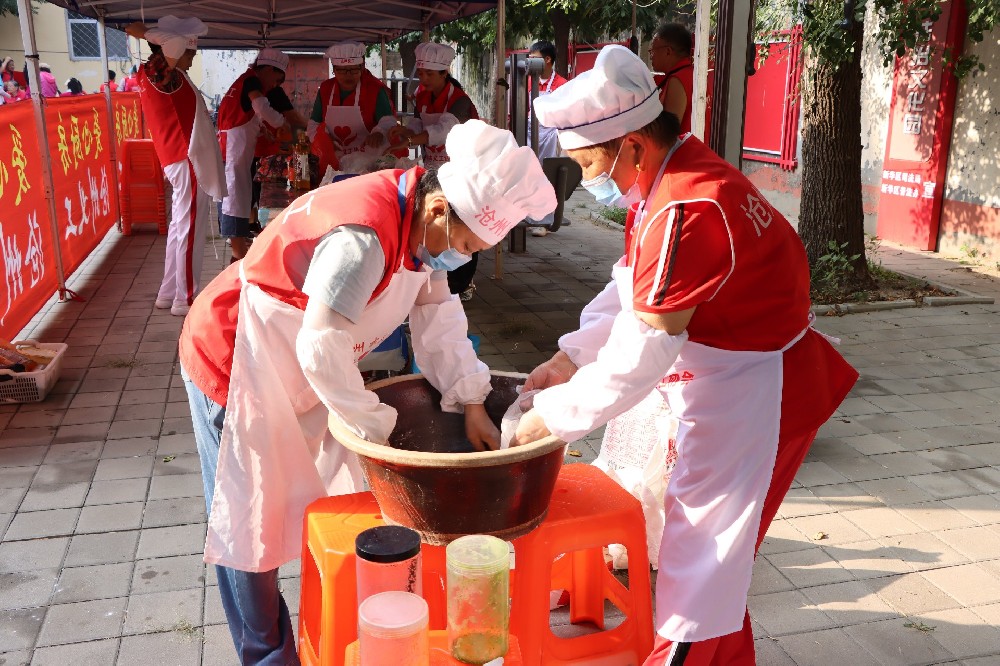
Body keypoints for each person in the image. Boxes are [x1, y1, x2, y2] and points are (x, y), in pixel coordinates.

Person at [525, 46, 858, 665]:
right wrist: (570, 357)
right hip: (730, 372)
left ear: (630, 144)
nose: (587, 177)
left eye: (588, 162)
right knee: (710, 557)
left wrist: (553, 418)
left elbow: (643, 351)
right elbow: (632, 283)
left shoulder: (688, 207)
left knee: (703, 562)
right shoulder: (668, 174)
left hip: (756, 389)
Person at [178, 119, 555, 664]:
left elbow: (440, 320)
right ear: (439, 209)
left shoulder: (423, 231)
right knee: (249, 520)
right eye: (465, 245)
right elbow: (320, 347)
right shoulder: (366, 237)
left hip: (298, 366)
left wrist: (473, 401)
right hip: (236, 357)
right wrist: (376, 428)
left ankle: (336, 631)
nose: (460, 257)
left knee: (307, 504)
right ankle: (267, 657)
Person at [125, 16, 227, 317]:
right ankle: (186, 298)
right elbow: (175, 42)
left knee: (180, 227)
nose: (192, 59)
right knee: (189, 228)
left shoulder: (156, 75)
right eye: (190, 54)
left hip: (178, 157)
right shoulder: (162, 75)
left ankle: (169, 292)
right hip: (187, 158)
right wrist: (147, 33)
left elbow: (176, 45)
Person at [391, 42, 480, 301]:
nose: (424, 79)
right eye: (421, 73)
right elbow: (419, 123)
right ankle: (440, 282)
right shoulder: (422, 95)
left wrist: (409, 140)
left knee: (462, 227)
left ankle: (462, 284)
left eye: (430, 74)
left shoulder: (459, 100)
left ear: (444, 73)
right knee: (440, 226)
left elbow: (443, 131)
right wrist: (405, 131)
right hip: (436, 169)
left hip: (463, 170)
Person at [216, 49, 291, 263]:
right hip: (233, 153)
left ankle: (239, 255)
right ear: (268, 69)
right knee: (234, 201)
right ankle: (238, 257)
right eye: (276, 80)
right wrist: (281, 123)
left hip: (232, 151)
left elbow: (247, 114)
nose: (275, 86)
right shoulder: (251, 81)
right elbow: (260, 106)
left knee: (236, 199)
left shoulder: (244, 81)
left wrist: (263, 130)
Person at [306, 41, 399, 169]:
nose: (348, 75)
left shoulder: (375, 89)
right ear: (334, 69)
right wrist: (324, 141)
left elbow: (388, 121)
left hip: (367, 162)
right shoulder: (325, 89)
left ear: (362, 68)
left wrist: (379, 132)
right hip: (334, 160)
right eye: (342, 70)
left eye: (354, 70)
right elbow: (313, 124)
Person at [526, 40, 568, 237]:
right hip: (527, 132)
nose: (529, 63)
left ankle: (544, 220)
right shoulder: (526, 81)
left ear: (548, 60)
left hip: (550, 134)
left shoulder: (562, 84)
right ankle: (526, 216)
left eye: (534, 59)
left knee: (547, 176)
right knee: (528, 175)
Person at [649, 22, 694, 134]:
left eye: (653, 51)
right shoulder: (695, 74)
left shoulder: (678, 80)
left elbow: (668, 133)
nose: (651, 57)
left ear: (668, 51)